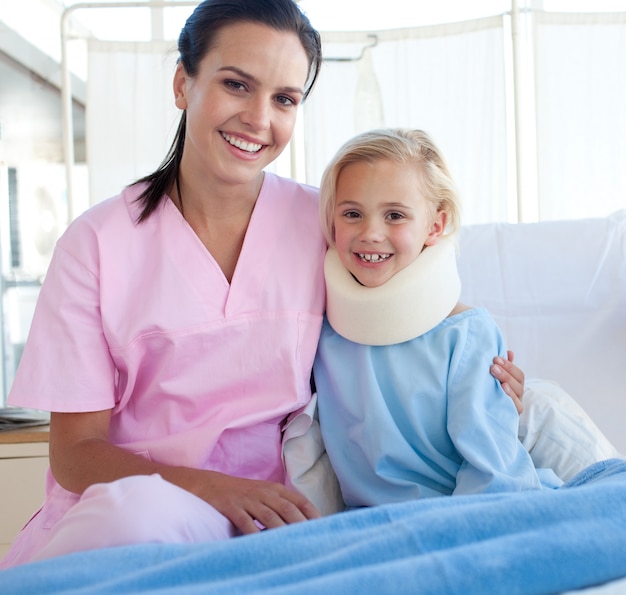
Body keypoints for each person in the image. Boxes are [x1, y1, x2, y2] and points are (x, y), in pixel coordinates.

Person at [0, 0, 535, 570]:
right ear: (183, 83)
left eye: (284, 98)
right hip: (133, 513)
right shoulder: (96, 244)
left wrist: (483, 369)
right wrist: (210, 488)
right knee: (135, 523)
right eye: (236, 84)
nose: (259, 118)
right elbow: (76, 456)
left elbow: (406, 313)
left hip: (280, 517)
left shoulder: (326, 223)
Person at [313, 128, 565, 508]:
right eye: (352, 213)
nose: (370, 233)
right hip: (371, 527)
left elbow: (492, 474)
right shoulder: (321, 335)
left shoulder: (468, 336)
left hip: (475, 514)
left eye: (394, 215)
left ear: (435, 225)